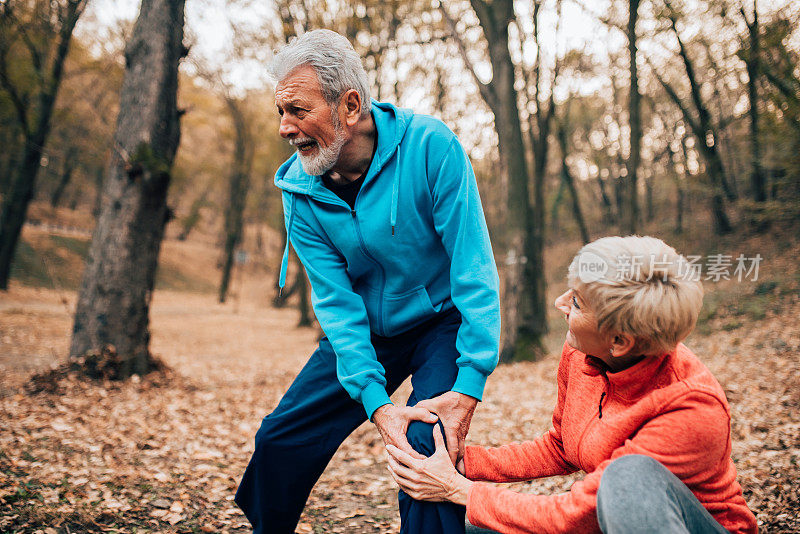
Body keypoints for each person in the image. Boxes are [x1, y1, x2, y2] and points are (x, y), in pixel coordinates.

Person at [234, 29, 501, 534]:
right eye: (280, 113)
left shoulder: (432, 149)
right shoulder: (298, 189)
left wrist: (469, 385)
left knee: (428, 443)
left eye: (298, 110)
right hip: (365, 329)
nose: (285, 128)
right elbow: (335, 302)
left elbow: (474, 271)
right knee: (278, 441)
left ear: (350, 105)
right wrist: (378, 406)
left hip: (439, 323)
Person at [387, 236, 758, 534]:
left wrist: (458, 489)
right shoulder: (583, 353)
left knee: (627, 477)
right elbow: (561, 447)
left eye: (577, 302)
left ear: (619, 341)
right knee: (465, 526)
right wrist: (459, 463)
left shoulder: (690, 409)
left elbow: (577, 515)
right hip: (601, 521)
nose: (560, 303)